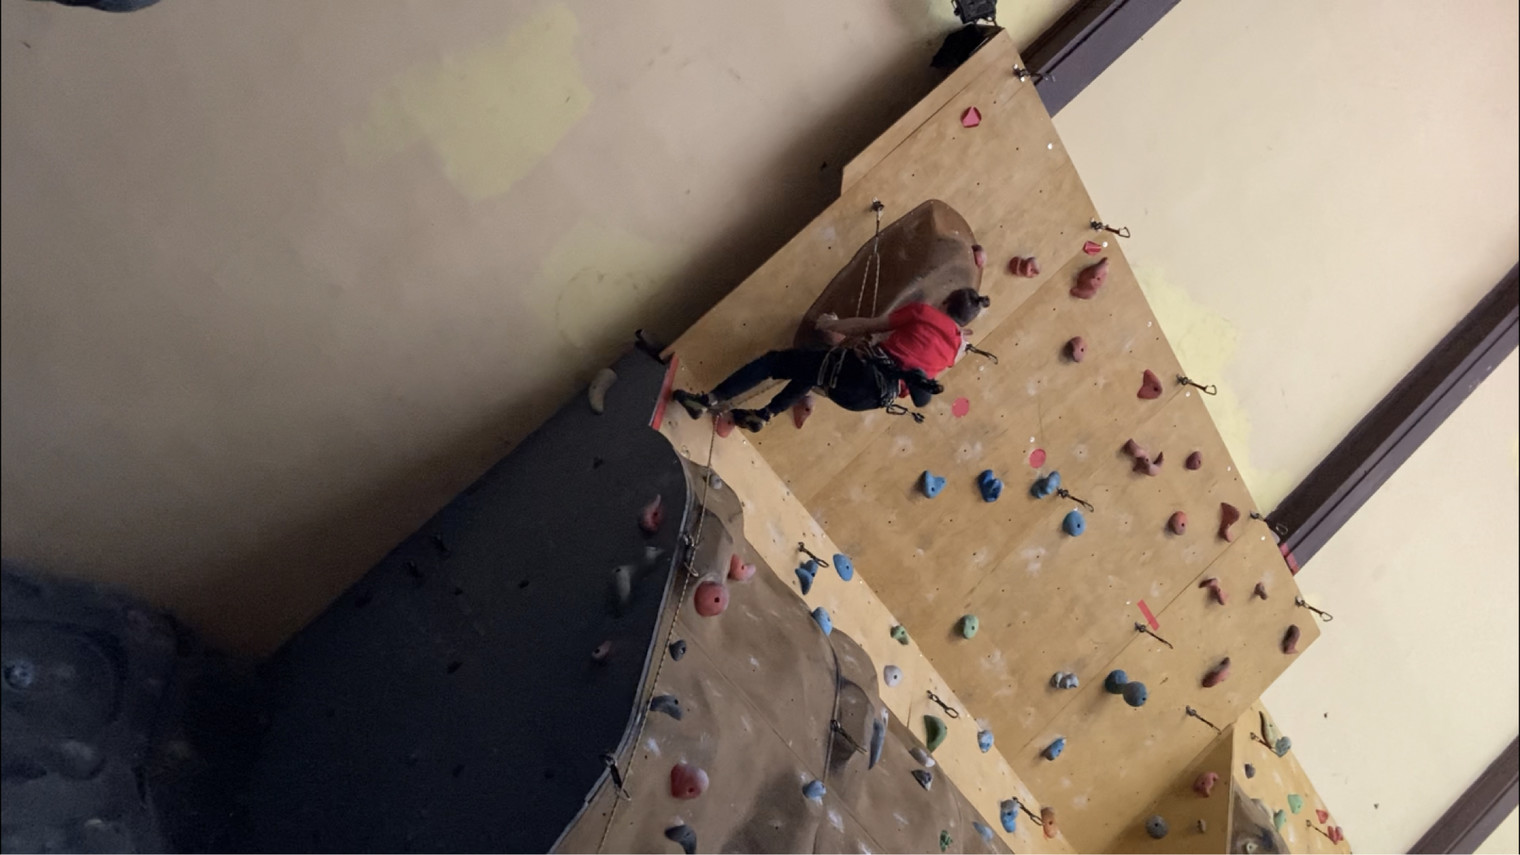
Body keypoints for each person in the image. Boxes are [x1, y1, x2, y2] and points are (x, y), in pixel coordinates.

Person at [672, 288, 990, 432]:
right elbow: (939, 353)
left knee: (773, 362)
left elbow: (868, 325)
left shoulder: (924, 313)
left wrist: (831, 325)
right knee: (814, 370)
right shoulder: (954, 352)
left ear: (945, 300)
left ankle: (707, 400)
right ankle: (765, 415)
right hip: (871, 399)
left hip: (859, 373)